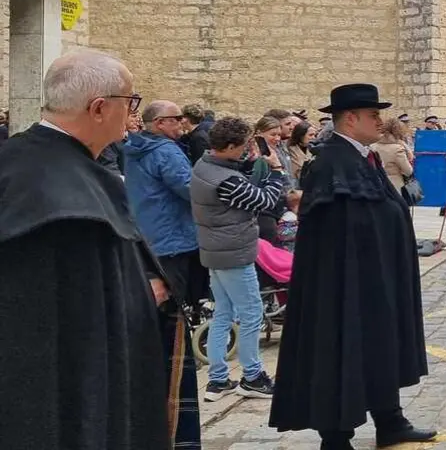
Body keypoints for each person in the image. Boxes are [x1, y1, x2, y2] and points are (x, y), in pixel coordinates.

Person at [0, 50, 192, 449]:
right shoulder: (63, 191)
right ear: (100, 108)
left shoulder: (20, 160)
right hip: (70, 380)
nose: (132, 113)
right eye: (130, 102)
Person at [269, 84, 433, 448]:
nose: (380, 120)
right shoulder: (331, 162)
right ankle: (336, 436)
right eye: (373, 115)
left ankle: (389, 421)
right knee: (342, 350)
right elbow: (336, 233)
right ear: (351, 118)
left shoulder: (362, 156)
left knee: (380, 346)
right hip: (345, 284)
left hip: (374, 279)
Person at [192, 116, 287, 401]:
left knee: (223, 314)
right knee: (251, 314)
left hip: (214, 251)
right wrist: (277, 171)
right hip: (234, 253)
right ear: (231, 146)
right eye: (244, 146)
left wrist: (249, 164)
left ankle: (218, 379)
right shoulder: (226, 181)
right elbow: (266, 200)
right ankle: (252, 376)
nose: (247, 150)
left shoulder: (204, 165)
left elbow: (239, 181)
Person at [124, 100, 206, 310]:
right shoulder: (166, 152)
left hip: (149, 235)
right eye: (177, 118)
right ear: (160, 123)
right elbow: (191, 190)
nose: (183, 122)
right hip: (174, 238)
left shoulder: (135, 148)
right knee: (173, 307)